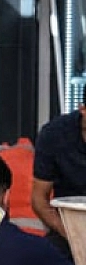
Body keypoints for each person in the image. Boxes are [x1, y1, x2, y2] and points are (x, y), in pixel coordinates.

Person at [34, 104, 86, 250]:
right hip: (67, 225)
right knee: (45, 257)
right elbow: (39, 199)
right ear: (83, 109)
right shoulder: (55, 134)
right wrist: (72, 235)